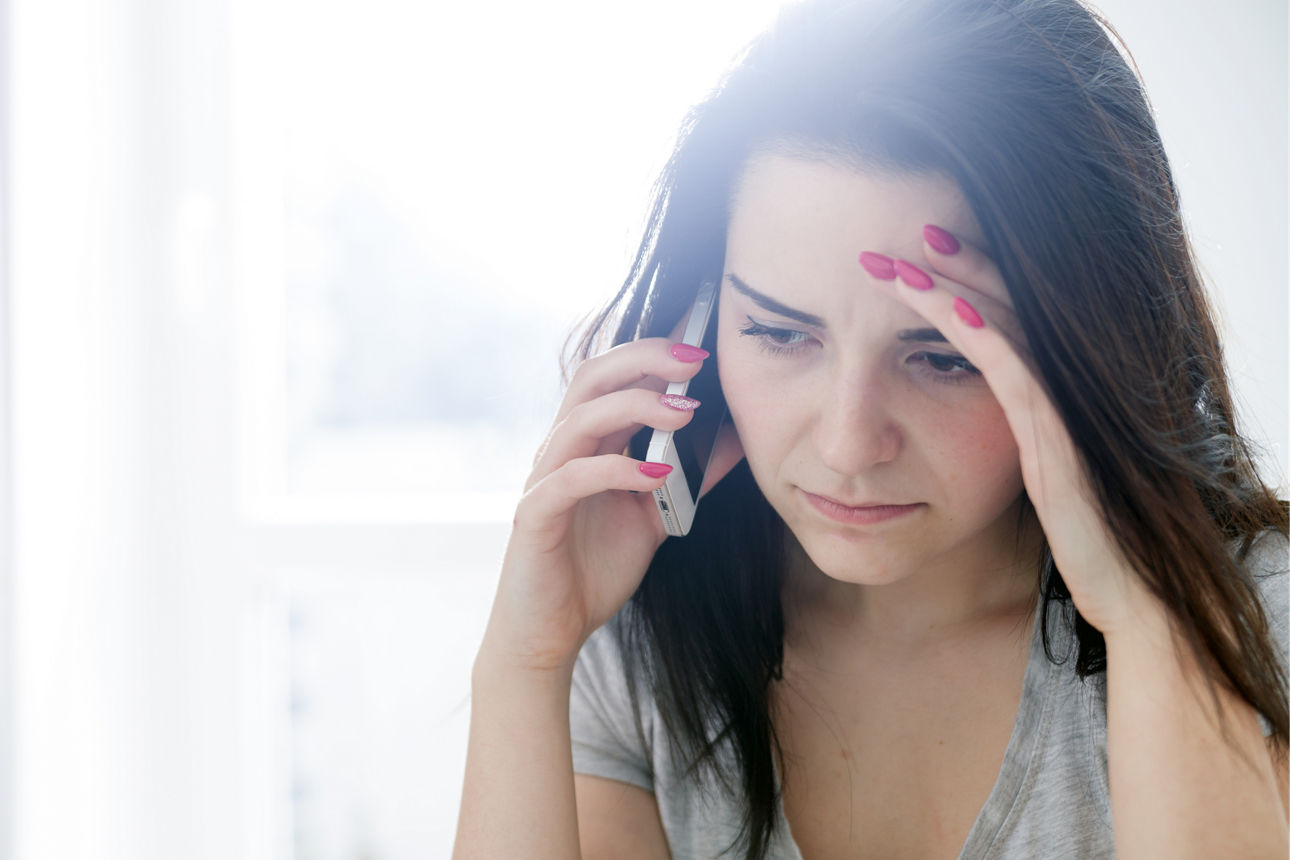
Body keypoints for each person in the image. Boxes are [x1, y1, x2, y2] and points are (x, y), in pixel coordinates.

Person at [453, 0, 1290, 857]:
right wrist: (523, 666)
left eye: (945, 357)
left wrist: (1154, 620)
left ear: (1090, 349)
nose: (848, 446)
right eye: (780, 334)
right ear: (701, 331)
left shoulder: (1264, 619)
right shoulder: (640, 641)